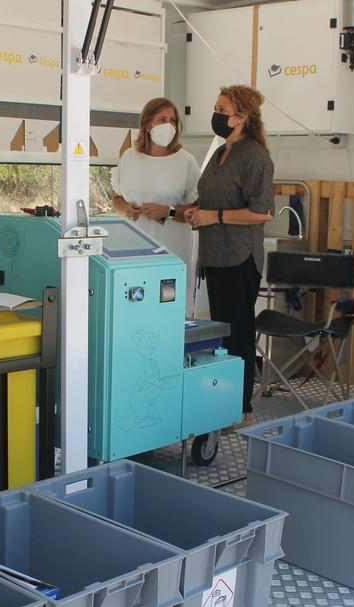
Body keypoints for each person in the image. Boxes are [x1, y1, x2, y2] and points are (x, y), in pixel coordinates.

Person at [184, 85, 275, 424]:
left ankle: (242, 408)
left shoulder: (255, 157)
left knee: (238, 332)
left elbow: (263, 212)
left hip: (239, 257)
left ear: (242, 117)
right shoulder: (220, 153)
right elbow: (210, 199)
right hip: (214, 254)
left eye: (223, 109)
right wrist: (196, 212)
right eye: (216, 107)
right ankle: (221, 400)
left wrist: (215, 217)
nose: (217, 114)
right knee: (220, 333)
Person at [110, 97, 201, 310]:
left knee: (169, 307)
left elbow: (198, 209)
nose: (168, 125)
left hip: (172, 250)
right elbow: (116, 199)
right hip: (134, 250)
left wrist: (167, 211)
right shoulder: (129, 157)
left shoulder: (185, 161)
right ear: (148, 123)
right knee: (134, 306)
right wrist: (126, 208)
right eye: (162, 119)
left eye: (172, 120)